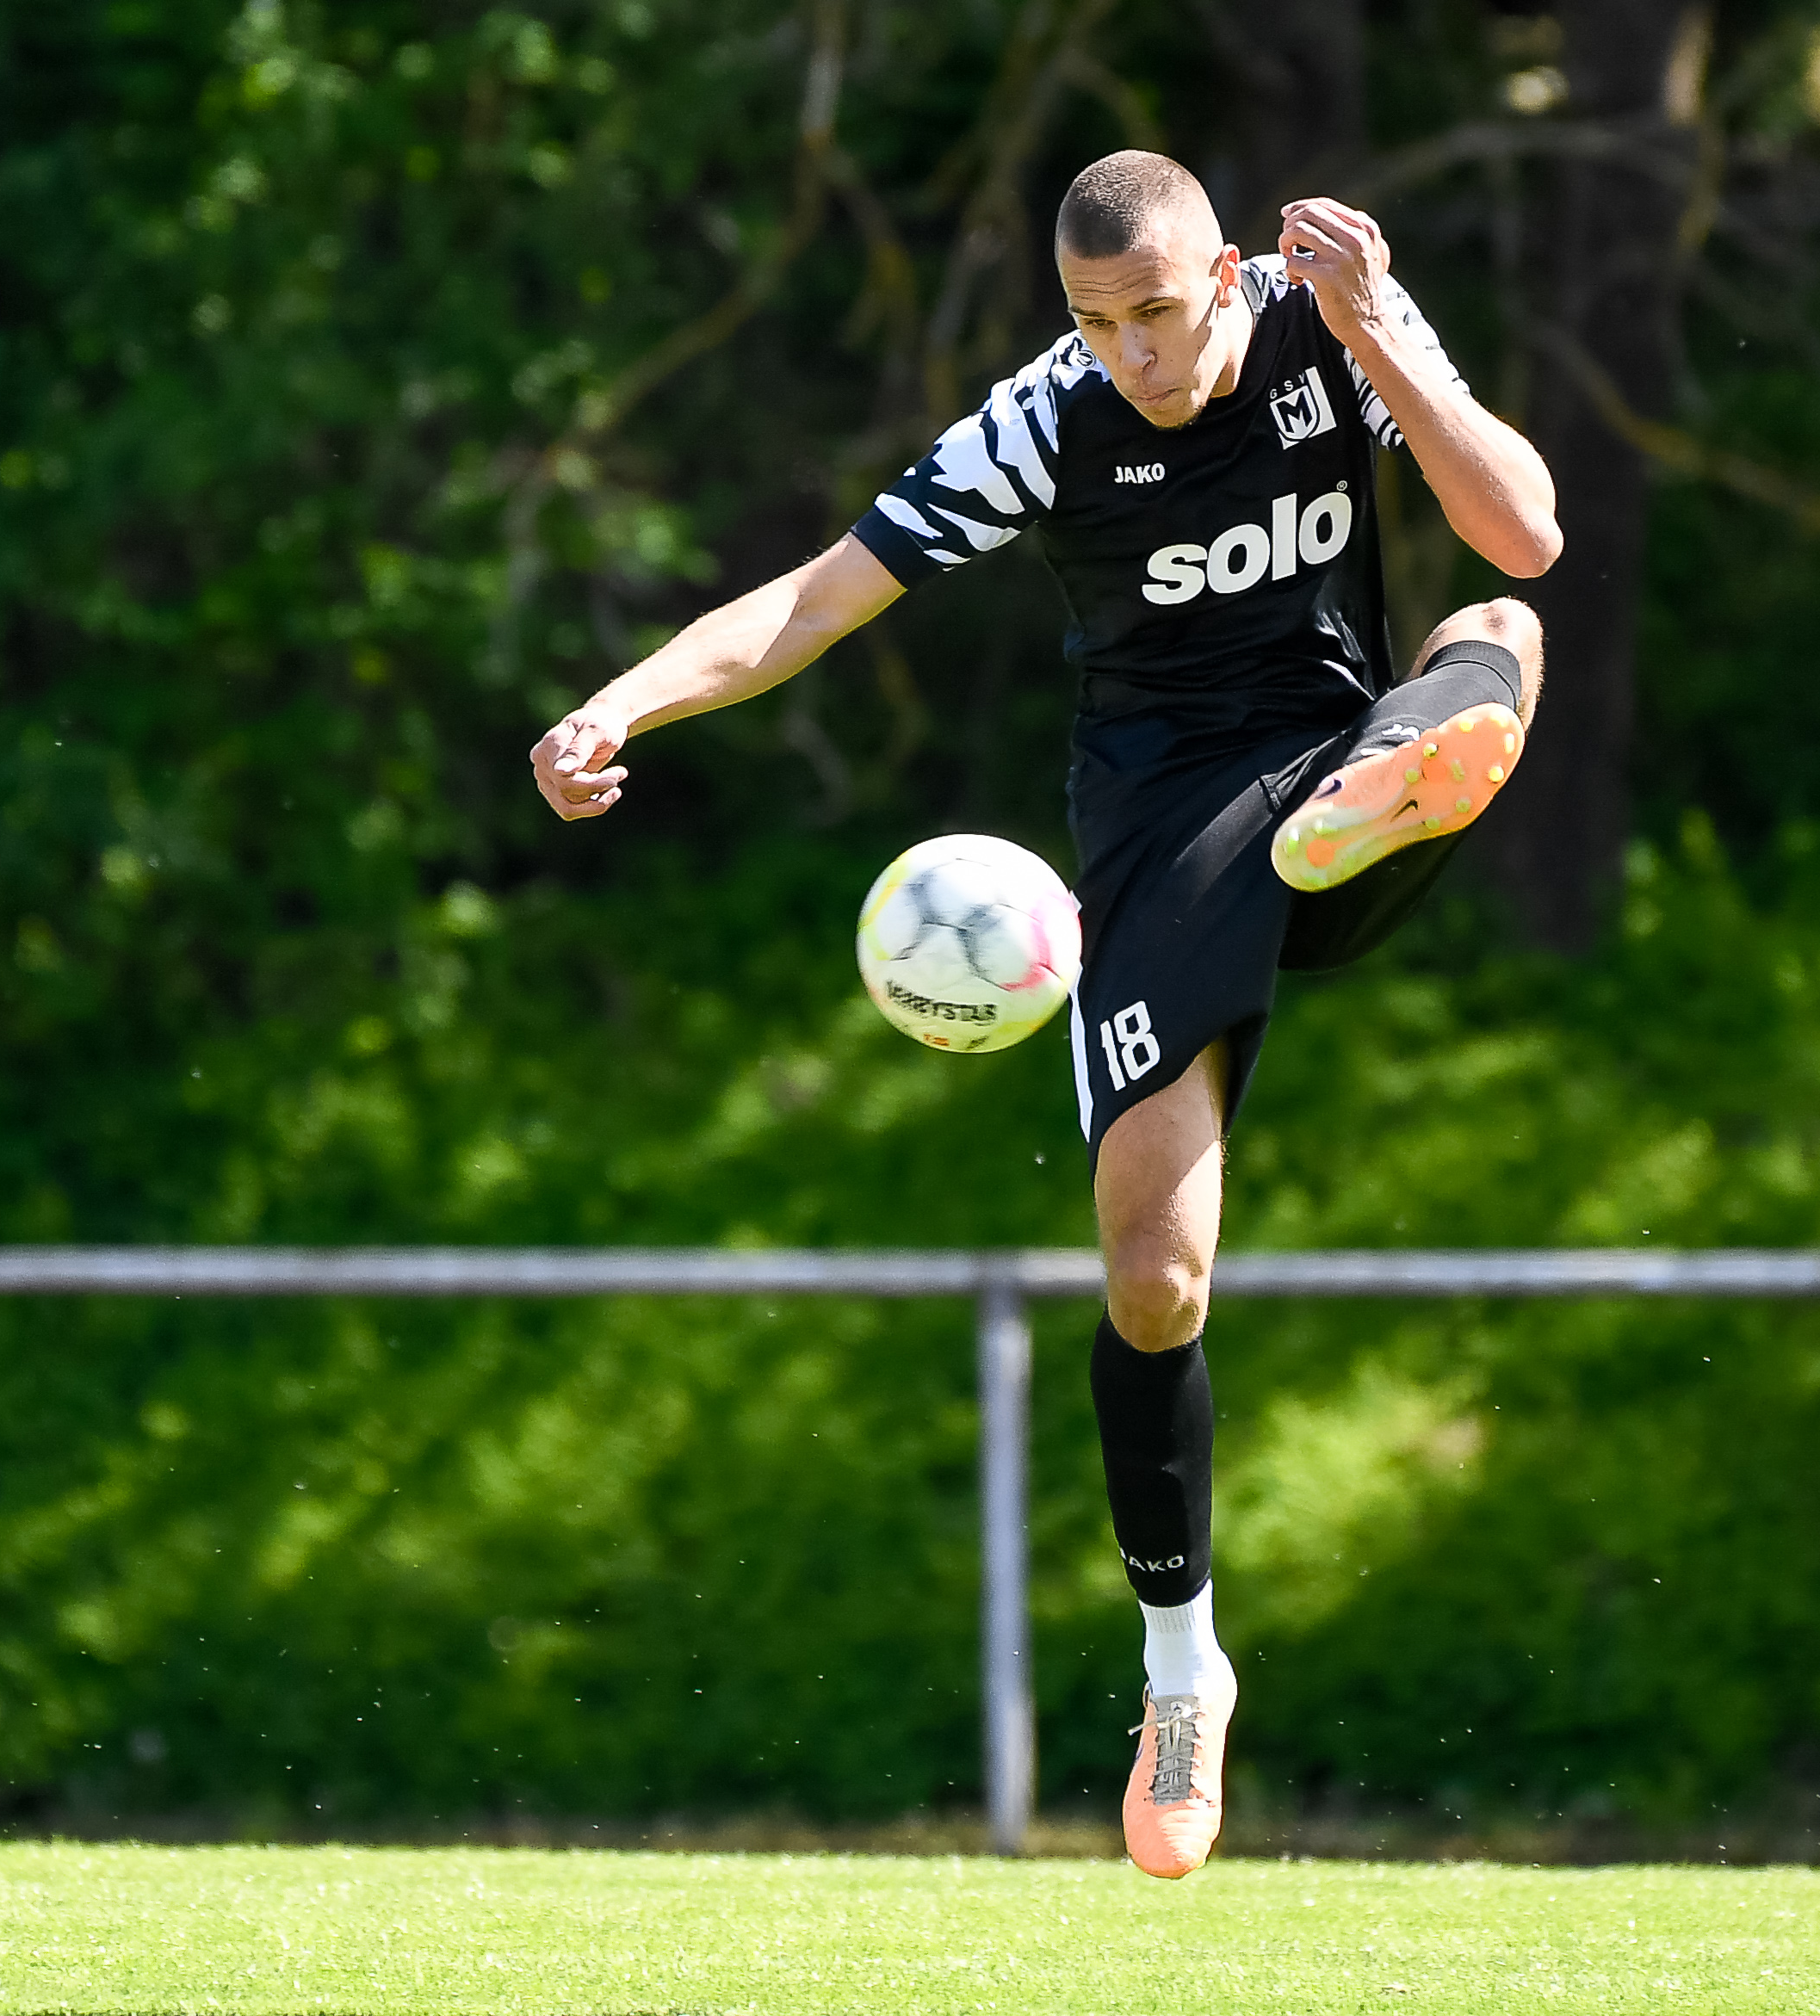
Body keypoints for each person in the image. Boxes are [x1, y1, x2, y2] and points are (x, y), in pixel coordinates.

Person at [530, 149, 1559, 1878]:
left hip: (1338, 771)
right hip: (1164, 842)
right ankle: (1180, 1669)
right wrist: (619, 704)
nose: (1134, 356)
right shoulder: (1041, 421)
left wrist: (1382, 332)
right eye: (1099, 325)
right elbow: (812, 597)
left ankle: (1387, 781)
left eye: (1156, 315)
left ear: (1219, 277)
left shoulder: (1328, 326)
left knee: (1497, 619)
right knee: (1153, 1276)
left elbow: (1523, 519)